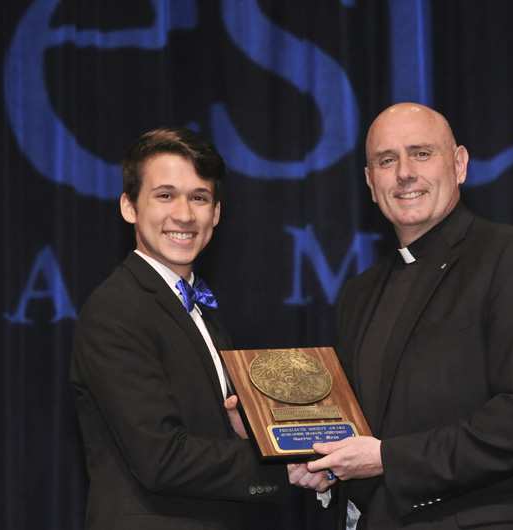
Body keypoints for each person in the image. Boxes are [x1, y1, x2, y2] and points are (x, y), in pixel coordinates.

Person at [307, 103, 513, 529]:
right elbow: (357, 432)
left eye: (421, 153)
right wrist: (320, 462)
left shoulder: (510, 255)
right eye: (386, 161)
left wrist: (388, 459)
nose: (404, 173)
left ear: (459, 164)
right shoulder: (360, 293)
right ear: (371, 183)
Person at [70, 127, 330, 530]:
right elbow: (161, 459)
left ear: (216, 213)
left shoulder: (201, 312)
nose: (185, 215)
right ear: (129, 206)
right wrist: (284, 466)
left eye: (199, 197)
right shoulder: (115, 310)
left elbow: (206, 430)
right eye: (165, 195)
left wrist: (259, 434)